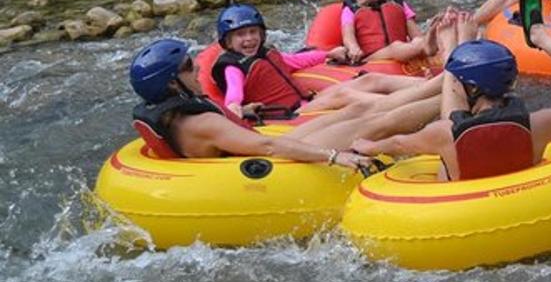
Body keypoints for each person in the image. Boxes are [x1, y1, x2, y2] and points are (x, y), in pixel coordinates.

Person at [130, 38, 441, 167]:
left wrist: (245, 111)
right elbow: (268, 148)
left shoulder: (180, 116)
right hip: (273, 163)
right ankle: (449, 94)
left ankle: (442, 83)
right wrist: (334, 157)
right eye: (187, 66)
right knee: (373, 124)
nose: (197, 67)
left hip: (251, 146)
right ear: (171, 83)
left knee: (357, 108)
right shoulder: (200, 123)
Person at [352, 41, 551, 181]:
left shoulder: (443, 134)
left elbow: (398, 143)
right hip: (526, 198)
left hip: (459, 211)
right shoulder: (539, 123)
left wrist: (368, 146)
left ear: (470, 89)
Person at [210, 4, 425, 119]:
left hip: (307, 102)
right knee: (345, 95)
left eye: (253, 32)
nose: (249, 39)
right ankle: (411, 105)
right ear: (227, 41)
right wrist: (234, 107)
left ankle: (434, 85)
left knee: (371, 80)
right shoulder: (233, 67)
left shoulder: (265, 55)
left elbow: (296, 60)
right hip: (289, 114)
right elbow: (234, 93)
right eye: (240, 35)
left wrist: (329, 53)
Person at [340, 0, 472, 65]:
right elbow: (348, 36)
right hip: (370, 58)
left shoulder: (399, 5)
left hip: (400, 51)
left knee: (417, 43)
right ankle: (430, 47)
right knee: (396, 47)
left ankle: (453, 47)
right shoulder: (350, 9)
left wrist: (423, 40)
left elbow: (416, 34)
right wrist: (353, 48)